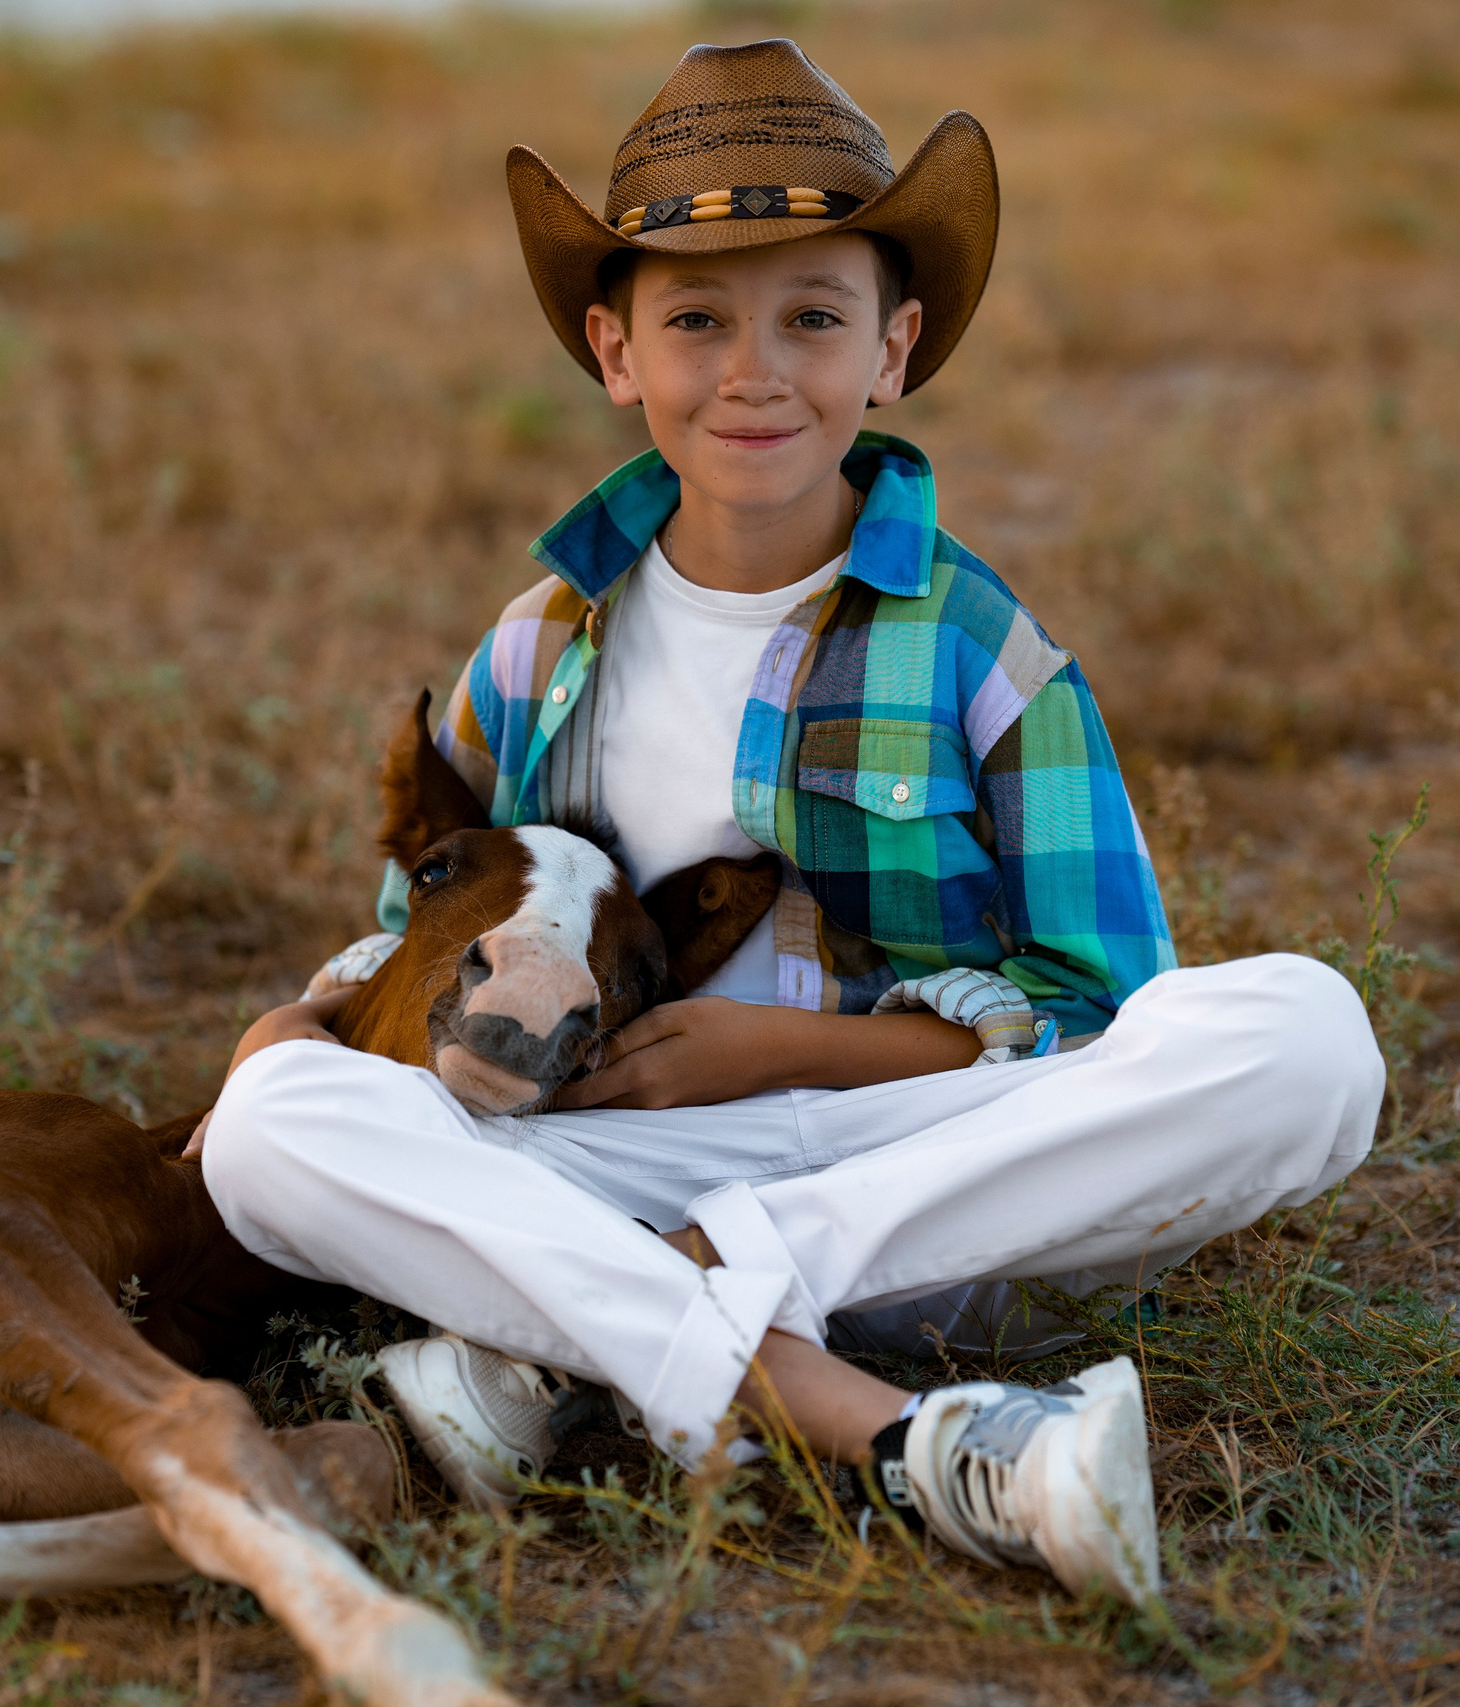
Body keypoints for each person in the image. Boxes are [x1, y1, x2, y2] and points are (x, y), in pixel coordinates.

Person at [196, 40, 1383, 1601]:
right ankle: (886, 1423)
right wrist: (301, 1023)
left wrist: (798, 1050)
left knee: (1305, 1036)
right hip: (604, 1151)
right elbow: (435, 932)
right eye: (697, 320)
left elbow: (1109, 1003)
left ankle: (599, 1334)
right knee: (272, 1133)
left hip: (920, 1163)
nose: (755, 372)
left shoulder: (976, 652)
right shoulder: (537, 648)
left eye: (811, 320)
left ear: (891, 350)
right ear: (618, 352)